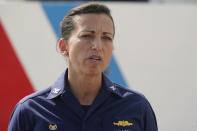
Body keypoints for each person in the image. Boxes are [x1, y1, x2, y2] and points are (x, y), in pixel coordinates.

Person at [8, 3, 158, 131]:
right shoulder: (29, 110)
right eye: (87, 36)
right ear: (63, 46)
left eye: (106, 37)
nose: (97, 46)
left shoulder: (137, 106)